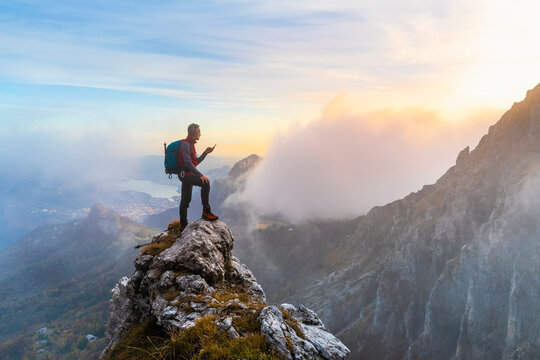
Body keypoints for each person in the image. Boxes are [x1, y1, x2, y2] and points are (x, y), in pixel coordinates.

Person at [178, 123, 219, 230]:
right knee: (205, 183)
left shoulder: (191, 144)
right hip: (185, 175)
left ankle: (183, 225)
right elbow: (188, 163)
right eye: (199, 131)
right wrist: (200, 175)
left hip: (186, 175)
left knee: (185, 200)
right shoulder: (185, 144)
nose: (200, 133)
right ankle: (206, 212)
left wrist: (205, 153)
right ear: (193, 133)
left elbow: (195, 162)